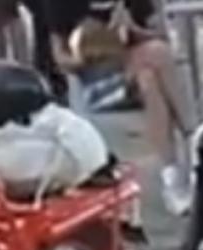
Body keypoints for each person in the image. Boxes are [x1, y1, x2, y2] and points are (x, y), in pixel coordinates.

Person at [42, 0, 194, 215]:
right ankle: (193, 142)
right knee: (157, 55)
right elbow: (60, 58)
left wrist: (133, 29)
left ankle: (172, 174)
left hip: (135, 72)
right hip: (94, 82)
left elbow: (162, 37)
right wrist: (91, 49)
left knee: (149, 79)